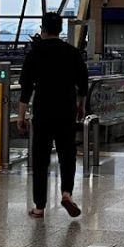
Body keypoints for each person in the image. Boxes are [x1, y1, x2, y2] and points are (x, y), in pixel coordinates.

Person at [18, 12, 89, 219]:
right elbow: (83, 83)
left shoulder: (35, 53)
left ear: (44, 29)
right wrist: (81, 105)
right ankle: (66, 193)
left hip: (43, 110)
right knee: (67, 154)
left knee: (40, 158)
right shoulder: (72, 52)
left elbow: (26, 88)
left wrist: (21, 116)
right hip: (66, 109)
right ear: (59, 29)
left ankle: (39, 207)